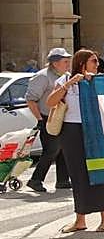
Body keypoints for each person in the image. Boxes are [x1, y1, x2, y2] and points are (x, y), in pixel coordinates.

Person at [45, 50, 104, 233]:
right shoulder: (65, 80)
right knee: (77, 174)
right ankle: (80, 219)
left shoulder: (98, 81)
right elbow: (50, 102)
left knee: (99, 172)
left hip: (93, 129)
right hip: (71, 130)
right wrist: (69, 84)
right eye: (94, 61)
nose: (97, 65)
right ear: (82, 63)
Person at [24, 47, 73, 194]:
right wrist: (40, 119)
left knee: (63, 149)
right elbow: (31, 100)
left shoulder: (66, 76)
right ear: (55, 63)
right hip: (47, 118)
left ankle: (63, 180)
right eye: (65, 61)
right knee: (51, 150)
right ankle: (35, 180)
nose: (68, 64)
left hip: (62, 117)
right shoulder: (42, 77)